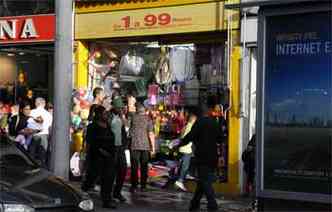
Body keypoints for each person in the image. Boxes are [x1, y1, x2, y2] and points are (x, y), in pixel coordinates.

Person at [178, 103, 223, 212]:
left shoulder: (199, 122)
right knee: (203, 181)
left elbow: (190, 136)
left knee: (205, 181)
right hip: (212, 157)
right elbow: (220, 139)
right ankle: (194, 204)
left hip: (202, 156)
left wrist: (180, 143)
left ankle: (212, 205)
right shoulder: (214, 123)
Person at [82, 105, 117, 209]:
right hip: (97, 157)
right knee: (91, 178)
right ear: (98, 114)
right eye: (104, 113)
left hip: (109, 157)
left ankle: (107, 200)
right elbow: (90, 143)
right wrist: (87, 157)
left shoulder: (107, 125)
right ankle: (81, 195)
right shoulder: (92, 127)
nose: (106, 115)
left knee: (108, 179)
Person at [129, 103, 155, 192]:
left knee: (134, 167)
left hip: (134, 145)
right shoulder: (148, 119)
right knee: (144, 167)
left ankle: (134, 186)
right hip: (145, 146)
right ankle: (143, 186)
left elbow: (128, 130)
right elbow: (151, 134)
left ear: (137, 110)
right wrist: (153, 148)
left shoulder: (133, 117)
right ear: (145, 110)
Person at [107, 96, 128, 202]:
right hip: (112, 147)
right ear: (114, 107)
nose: (121, 109)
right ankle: (109, 194)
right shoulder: (109, 116)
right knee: (111, 172)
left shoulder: (120, 117)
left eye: (121, 108)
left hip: (120, 147)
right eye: (119, 108)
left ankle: (117, 192)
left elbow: (123, 132)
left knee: (123, 170)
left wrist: (125, 145)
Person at [174, 109, 198, 192]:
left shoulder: (186, 126)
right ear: (193, 120)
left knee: (182, 165)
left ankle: (182, 178)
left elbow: (181, 137)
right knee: (185, 166)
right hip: (187, 149)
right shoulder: (191, 127)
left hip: (182, 149)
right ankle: (180, 180)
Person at [28, 97, 53, 168]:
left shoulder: (32, 112)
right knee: (42, 156)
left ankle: (31, 168)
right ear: (44, 104)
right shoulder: (48, 114)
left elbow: (28, 124)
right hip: (45, 135)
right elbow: (51, 126)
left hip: (33, 135)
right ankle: (42, 170)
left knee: (31, 155)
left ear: (36, 103)